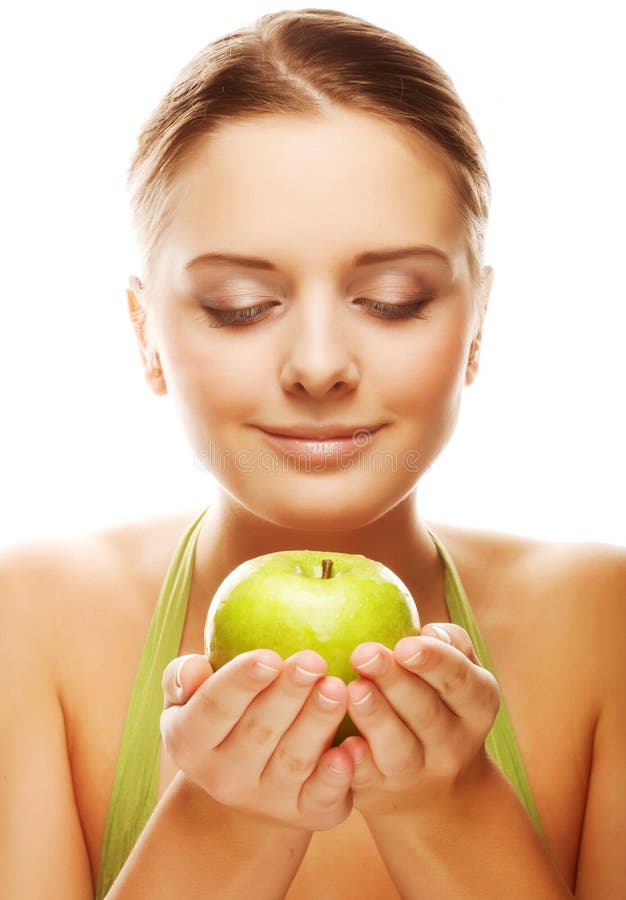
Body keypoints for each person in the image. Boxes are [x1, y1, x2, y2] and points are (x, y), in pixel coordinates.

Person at [1, 8, 624, 899]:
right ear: (146, 334)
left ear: (478, 320)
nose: (321, 365)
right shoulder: (30, 624)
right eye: (243, 304)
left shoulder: (603, 624)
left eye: (395, 297)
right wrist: (223, 823)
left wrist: (448, 809)